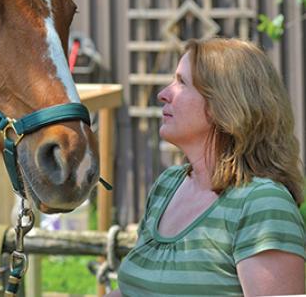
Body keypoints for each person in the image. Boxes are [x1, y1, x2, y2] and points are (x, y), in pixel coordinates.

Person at [108, 38, 305, 296]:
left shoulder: (263, 204)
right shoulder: (168, 185)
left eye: (182, 83)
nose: (163, 94)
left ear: (224, 105)